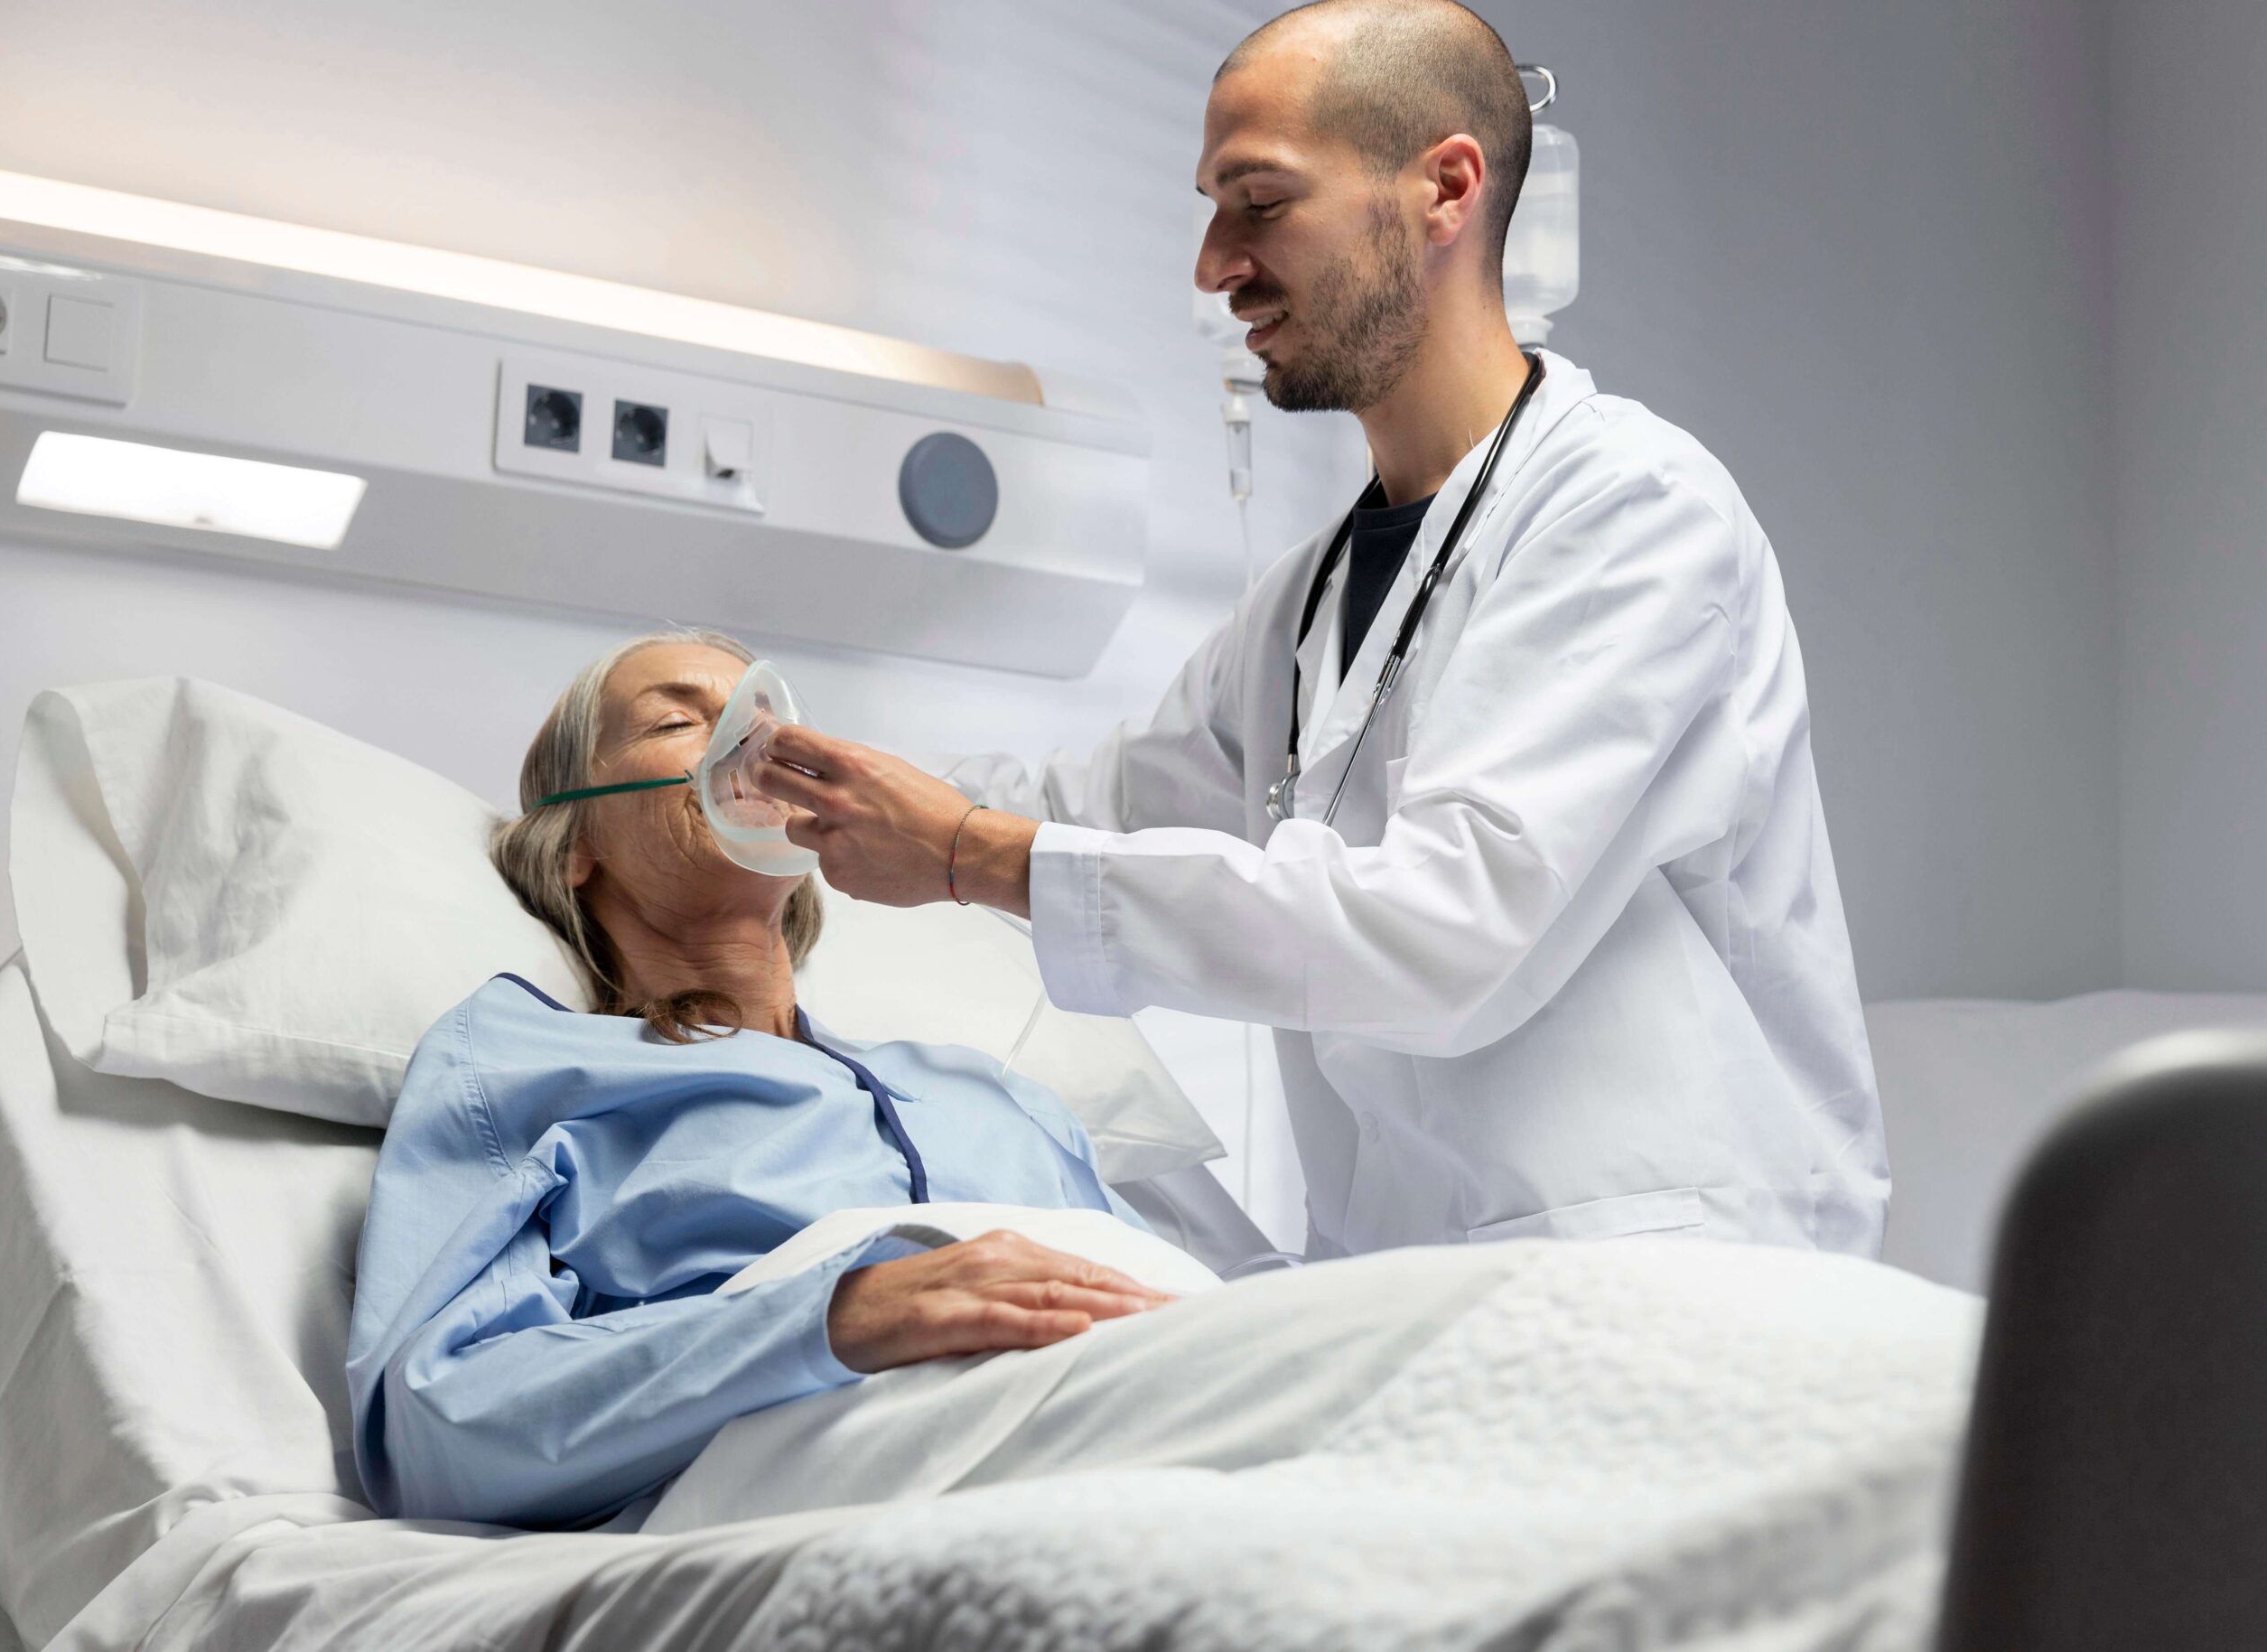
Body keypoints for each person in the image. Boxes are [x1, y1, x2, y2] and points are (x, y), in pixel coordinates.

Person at [749, 0, 1889, 1260]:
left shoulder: (1632, 512)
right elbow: (1100, 806)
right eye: (1210, 206)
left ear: (1445, 187)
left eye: (1260, 201)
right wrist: (795, 796)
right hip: (1422, 1295)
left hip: (1673, 1275)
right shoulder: (1306, 601)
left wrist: (971, 853)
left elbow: (1450, 924)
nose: (1212, 263)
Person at [345, 632, 1179, 1529]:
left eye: (764, 716)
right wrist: (835, 1314)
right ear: (575, 840)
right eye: (676, 718)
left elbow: (1175, 1311)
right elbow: (437, 1428)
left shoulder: (994, 1094)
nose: (752, 740)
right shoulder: (526, 1065)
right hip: (848, 1472)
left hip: (1148, 1411)